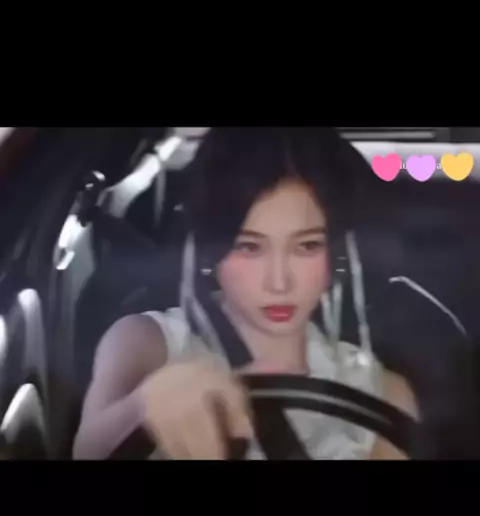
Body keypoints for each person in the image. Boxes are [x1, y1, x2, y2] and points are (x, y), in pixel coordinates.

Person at [73, 127, 418, 461]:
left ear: (336, 254)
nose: (279, 282)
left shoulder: (382, 391)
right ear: (212, 251)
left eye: (307, 246)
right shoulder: (146, 344)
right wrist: (144, 404)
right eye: (249, 247)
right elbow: (86, 450)